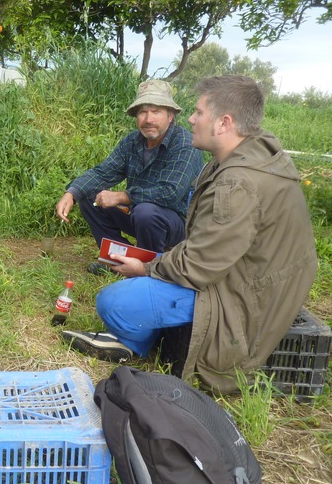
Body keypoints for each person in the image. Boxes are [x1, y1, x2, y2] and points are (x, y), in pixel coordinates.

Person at [62, 75, 318, 394]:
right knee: (138, 273)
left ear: (223, 122)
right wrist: (75, 192)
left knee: (114, 301)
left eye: (197, 112)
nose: (192, 119)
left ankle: (131, 338)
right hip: (237, 276)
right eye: (143, 111)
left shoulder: (237, 184)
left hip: (242, 299)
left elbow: (198, 265)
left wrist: (146, 267)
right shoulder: (238, 161)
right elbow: (207, 252)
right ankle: (135, 332)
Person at [56, 80, 203, 273]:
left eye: (156, 111)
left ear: (170, 116)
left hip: (177, 223)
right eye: (142, 112)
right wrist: (72, 193)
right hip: (139, 213)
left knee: (145, 212)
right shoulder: (132, 142)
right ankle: (117, 261)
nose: (148, 119)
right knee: (90, 197)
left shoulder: (185, 144)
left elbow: (170, 193)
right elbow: (103, 172)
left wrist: (120, 196)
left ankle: (151, 268)